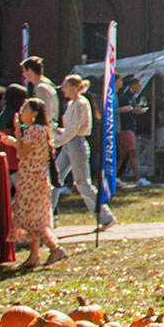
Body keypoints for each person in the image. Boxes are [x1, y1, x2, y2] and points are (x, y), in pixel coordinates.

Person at [6, 97, 67, 269]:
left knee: (30, 219)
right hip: (37, 179)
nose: (21, 112)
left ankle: (55, 248)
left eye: (24, 109)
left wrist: (15, 136)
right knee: (35, 216)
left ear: (34, 113)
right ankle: (34, 255)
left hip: (32, 180)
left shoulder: (34, 130)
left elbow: (23, 152)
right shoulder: (39, 130)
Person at [53, 74, 117, 228]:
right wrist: (56, 132)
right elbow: (69, 128)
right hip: (69, 144)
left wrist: (56, 142)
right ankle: (48, 217)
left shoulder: (82, 103)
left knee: (82, 183)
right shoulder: (71, 104)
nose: (63, 89)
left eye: (65, 85)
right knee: (54, 179)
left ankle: (105, 217)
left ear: (74, 87)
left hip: (76, 144)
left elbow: (75, 129)